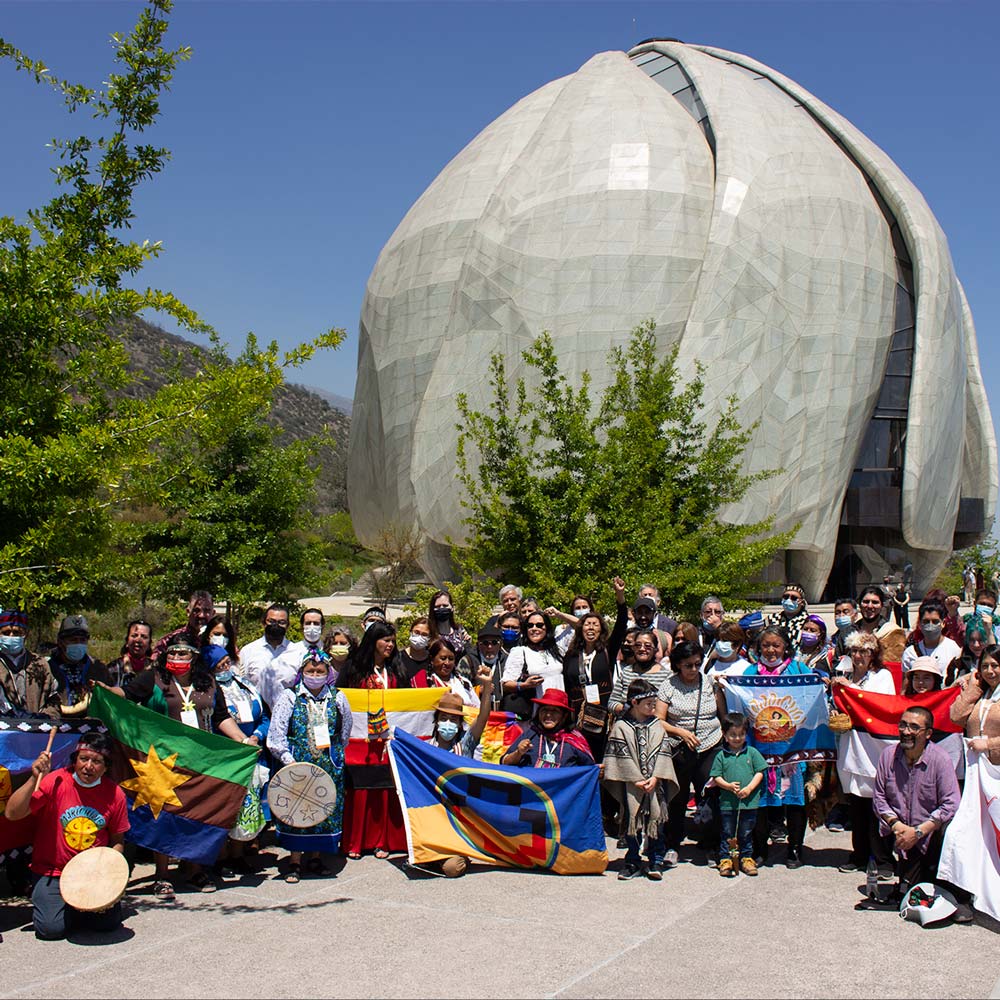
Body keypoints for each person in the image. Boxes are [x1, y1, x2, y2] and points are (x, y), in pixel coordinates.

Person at [124, 641, 246, 895]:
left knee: (198, 813)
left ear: (195, 657)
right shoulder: (154, 679)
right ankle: (162, 875)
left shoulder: (208, 683)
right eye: (173, 653)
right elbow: (126, 695)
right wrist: (105, 690)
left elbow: (221, 716)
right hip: (163, 759)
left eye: (183, 653)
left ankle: (195, 871)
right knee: (163, 815)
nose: (177, 657)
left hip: (201, 761)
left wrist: (242, 741)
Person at [5, 732, 129, 940]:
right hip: (53, 872)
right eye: (84, 759)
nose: (89, 766)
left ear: (106, 766)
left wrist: (110, 877)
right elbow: (12, 813)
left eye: (97, 761)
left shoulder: (115, 794)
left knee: (107, 924)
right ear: (75, 759)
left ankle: (78, 909)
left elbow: (117, 841)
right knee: (50, 930)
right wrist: (34, 777)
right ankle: (69, 908)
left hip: (91, 874)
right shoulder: (55, 781)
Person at [873, 706, 971, 921]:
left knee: (949, 833)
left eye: (914, 727)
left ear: (928, 734)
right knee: (914, 892)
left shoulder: (941, 759)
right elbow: (879, 797)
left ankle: (958, 897)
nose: (906, 731)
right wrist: (898, 827)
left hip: (929, 831)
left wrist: (917, 832)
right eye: (903, 725)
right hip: (901, 831)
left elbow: (951, 803)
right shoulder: (887, 756)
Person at [267, 650, 352, 882]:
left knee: (322, 808)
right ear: (302, 672)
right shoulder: (290, 697)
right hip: (297, 763)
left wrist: (336, 754)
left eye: (320, 671)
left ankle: (315, 857)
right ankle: (294, 861)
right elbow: (277, 732)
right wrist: (287, 758)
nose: (315, 674)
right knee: (296, 811)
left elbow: (345, 732)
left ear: (328, 673)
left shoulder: (337, 698)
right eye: (310, 671)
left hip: (327, 763)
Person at [337, 621, 414, 859]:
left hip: (389, 742)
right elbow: (340, 702)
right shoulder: (353, 669)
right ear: (373, 641)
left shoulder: (398, 671)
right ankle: (356, 843)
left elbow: (407, 705)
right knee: (361, 790)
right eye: (385, 640)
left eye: (392, 641)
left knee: (386, 790)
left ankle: (384, 841)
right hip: (360, 742)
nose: (390, 645)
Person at [743, 628, 811, 867]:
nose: (771, 651)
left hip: (791, 747)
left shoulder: (799, 670)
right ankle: (760, 849)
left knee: (794, 800)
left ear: (785, 648)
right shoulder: (750, 673)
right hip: (760, 746)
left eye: (776, 645)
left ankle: (795, 849)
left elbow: (812, 700)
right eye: (766, 646)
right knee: (760, 801)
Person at [602, 678, 679, 880]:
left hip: (655, 786)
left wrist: (655, 777)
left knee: (656, 823)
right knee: (631, 824)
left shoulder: (657, 726)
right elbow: (618, 755)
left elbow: (664, 752)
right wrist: (634, 779)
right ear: (634, 703)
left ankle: (655, 860)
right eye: (648, 704)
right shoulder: (620, 727)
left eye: (654, 703)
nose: (653, 707)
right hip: (631, 787)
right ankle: (632, 861)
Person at [656, 641, 724, 868]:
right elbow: (659, 720)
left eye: (697, 664)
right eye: (688, 666)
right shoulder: (669, 686)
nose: (693, 670)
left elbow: (722, 713)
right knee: (677, 797)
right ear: (677, 665)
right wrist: (680, 732)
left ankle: (710, 844)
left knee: (710, 796)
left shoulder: (709, 683)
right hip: (680, 750)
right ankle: (672, 844)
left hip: (710, 746)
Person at [833, 631, 896, 878]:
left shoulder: (882, 676)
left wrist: (852, 691)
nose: (859, 656)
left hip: (874, 746)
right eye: (855, 651)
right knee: (857, 805)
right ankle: (859, 854)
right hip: (851, 744)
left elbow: (882, 704)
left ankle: (883, 859)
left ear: (873, 654)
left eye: (864, 651)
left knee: (877, 805)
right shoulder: (845, 675)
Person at [562, 576, 628, 759]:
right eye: (587, 624)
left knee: (603, 757)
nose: (590, 628)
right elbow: (567, 685)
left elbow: (622, 623)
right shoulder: (571, 655)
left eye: (595, 624)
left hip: (604, 712)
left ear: (601, 629)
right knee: (581, 755)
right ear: (581, 629)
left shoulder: (607, 651)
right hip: (579, 715)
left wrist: (620, 595)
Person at [709, 712, 767, 877]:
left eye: (741, 734)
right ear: (725, 735)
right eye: (733, 735)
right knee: (728, 832)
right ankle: (726, 859)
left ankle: (746, 858)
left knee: (746, 832)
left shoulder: (752, 753)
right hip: (728, 803)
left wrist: (749, 788)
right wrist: (727, 786)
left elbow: (760, 772)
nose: (737, 738)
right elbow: (716, 776)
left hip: (748, 803)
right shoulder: (721, 755)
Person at [501, 689, 594, 768]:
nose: (548, 715)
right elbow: (504, 762)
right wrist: (518, 753)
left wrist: (598, 771)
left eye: (554, 711)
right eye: (544, 710)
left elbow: (590, 769)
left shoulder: (575, 740)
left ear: (564, 715)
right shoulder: (531, 734)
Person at [501, 611, 564, 719]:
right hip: (534, 712)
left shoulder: (557, 650)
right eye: (530, 626)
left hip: (558, 710)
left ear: (547, 628)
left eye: (539, 625)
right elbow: (506, 685)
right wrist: (525, 685)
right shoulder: (520, 651)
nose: (534, 628)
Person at [47, 615, 110, 717]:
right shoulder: (47, 669)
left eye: (82, 640)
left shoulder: (98, 669)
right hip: (56, 727)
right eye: (73, 640)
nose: (78, 644)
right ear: (60, 641)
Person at [241, 604, 300, 712]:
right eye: (271, 621)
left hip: (288, 715)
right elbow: (242, 685)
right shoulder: (248, 651)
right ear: (263, 623)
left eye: (281, 622)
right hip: (257, 715)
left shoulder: (298, 652)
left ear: (287, 625)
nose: (276, 625)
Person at [950, 643, 1000, 766]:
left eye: (994, 666)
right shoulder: (980, 694)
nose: (989, 671)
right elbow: (956, 717)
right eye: (984, 666)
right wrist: (973, 688)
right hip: (978, 768)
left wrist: (988, 744)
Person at [0, 607, 56, 714]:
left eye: (16, 633)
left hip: (36, 727)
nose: (11, 636)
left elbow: (53, 700)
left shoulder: (40, 664)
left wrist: (45, 718)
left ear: (25, 634)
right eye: (6, 633)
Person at [609, 629, 670, 714]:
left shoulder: (666, 676)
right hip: (626, 723)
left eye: (647, 646)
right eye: (638, 645)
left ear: (655, 649)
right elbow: (612, 702)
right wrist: (629, 710)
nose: (642, 649)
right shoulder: (626, 672)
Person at [901, 600, 962, 676]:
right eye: (926, 622)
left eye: (935, 621)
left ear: (943, 623)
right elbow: (905, 683)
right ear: (919, 624)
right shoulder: (910, 653)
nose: (930, 625)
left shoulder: (953, 648)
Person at [153, 590, 215, 661]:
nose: (201, 615)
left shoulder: (220, 640)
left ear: (213, 613)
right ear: (188, 612)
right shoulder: (168, 640)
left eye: (206, 610)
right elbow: (154, 667)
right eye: (196, 610)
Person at [457, 625, 507, 705]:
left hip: (502, 712)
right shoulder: (467, 661)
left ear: (500, 644)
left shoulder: (507, 661)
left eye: (494, 643)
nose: (489, 647)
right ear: (478, 644)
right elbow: (458, 689)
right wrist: (478, 690)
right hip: (475, 711)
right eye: (485, 643)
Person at [425, 639, 479, 707]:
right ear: (432, 659)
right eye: (443, 658)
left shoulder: (465, 683)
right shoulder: (425, 682)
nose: (447, 663)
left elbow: (477, 709)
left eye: (451, 659)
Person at [106, 618, 154, 691]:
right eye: (134, 635)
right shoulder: (113, 669)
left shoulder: (155, 670)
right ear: (127, 641)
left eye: (144, 637)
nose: (138, 640)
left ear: (149, 643)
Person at [946, 615, 989, 687]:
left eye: (981, 640)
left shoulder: (996, 660)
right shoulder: (958, 661)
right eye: (972, 640)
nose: (976, 645)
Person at [427, 589, 471, 657]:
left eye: (445, 605)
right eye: (437, 606)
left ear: (452, 607)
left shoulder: (459, 630)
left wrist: (468, 643)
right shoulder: (428, 632)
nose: (441, 608)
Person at [764, 583, 809, 647]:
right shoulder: (771, 619)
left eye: (794, 598)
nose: (788, 599)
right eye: (786, 596)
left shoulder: (808, 621)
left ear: (802, 602)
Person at [400, 616, 432, 681]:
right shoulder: (398, 657)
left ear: (429, 638)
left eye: (424, 634)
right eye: (416, 632)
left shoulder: (432, 660)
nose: (419, 637)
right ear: (410, 631)